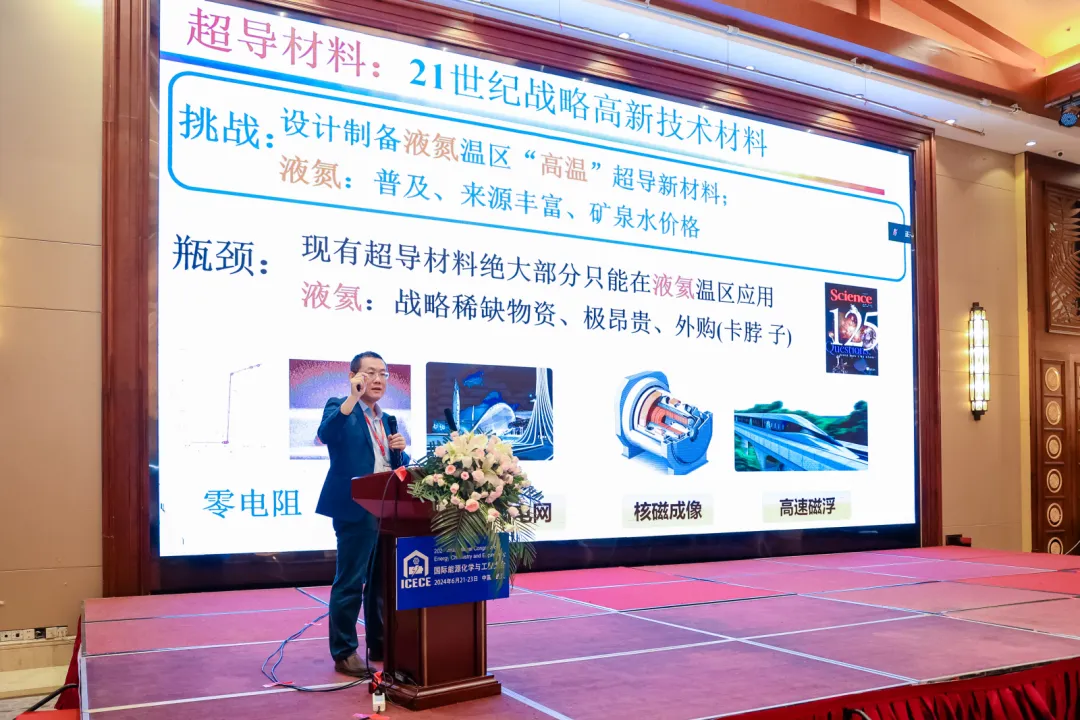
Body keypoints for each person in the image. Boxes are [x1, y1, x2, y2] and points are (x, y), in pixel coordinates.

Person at [316, 351, 408, 677]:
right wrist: (352, 399)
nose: (378, 380)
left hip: (386, 509)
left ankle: (379, 643)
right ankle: (344, 652)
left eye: (383, 374)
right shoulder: (340, 407)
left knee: (382, 583)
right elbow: (326, 434)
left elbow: (393, 467)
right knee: (351, 581)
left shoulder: (387, 420)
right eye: (370, 373)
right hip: (355, 507)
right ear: (354, 376)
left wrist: (400, 452)